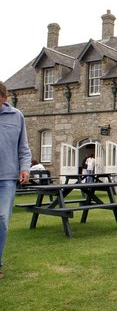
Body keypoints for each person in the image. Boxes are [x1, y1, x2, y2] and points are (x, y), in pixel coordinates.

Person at [0, 81, 32, 279]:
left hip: (7, 178)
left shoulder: (16, 116)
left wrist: (25, 168)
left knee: (2, 220)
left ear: (4, 98)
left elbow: (24, 147)